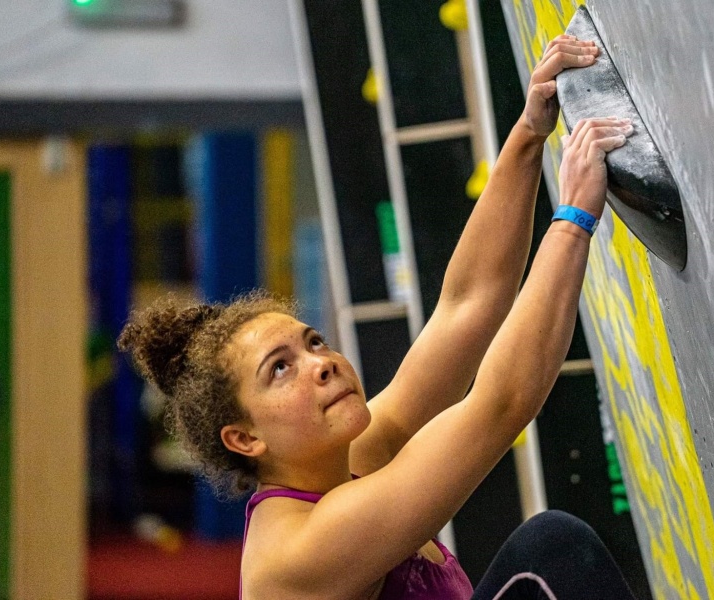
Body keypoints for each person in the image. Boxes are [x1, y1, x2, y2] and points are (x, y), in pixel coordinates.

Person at [119, 34, 637, 600]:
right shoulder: (298, 551)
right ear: (244, 437)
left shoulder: (349, 457)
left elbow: (467, 306)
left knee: (549, 553)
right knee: (550, 552)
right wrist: (571, 220)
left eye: (313, 343)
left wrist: (528, 133)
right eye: (280, 370)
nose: (322, 365)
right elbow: (501, 405)